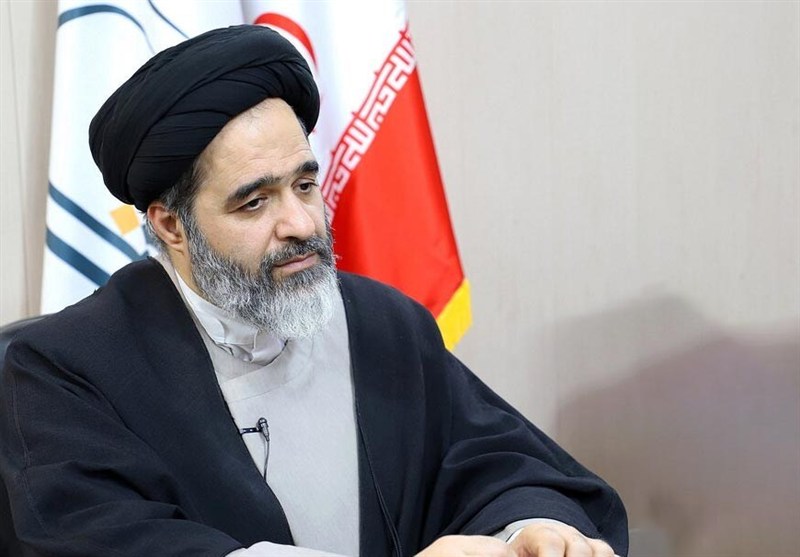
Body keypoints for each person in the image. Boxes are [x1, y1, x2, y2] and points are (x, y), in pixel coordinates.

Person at [0, 25, 627, 557]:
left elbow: (491, 461)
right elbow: (108, 540)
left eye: (304, 186)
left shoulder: (383, 323)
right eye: (254, 202)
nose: (301, 224)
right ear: (171, 226)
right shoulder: (65, 370)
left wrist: (531, 529)